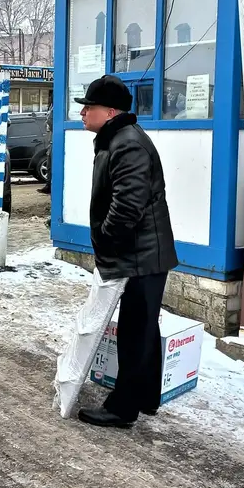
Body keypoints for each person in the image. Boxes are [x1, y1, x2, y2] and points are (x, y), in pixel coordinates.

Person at [75, 75, 178, 429]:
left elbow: (126, 207)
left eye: (89, 107)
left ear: (111, 111)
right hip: (141, 253)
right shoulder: (117, 139)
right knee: (143, 327)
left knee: (135, 331)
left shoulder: (127, 144)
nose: (83, 113)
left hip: (141, 255)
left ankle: (122, 408)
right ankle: (146, 397)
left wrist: (106, 241)